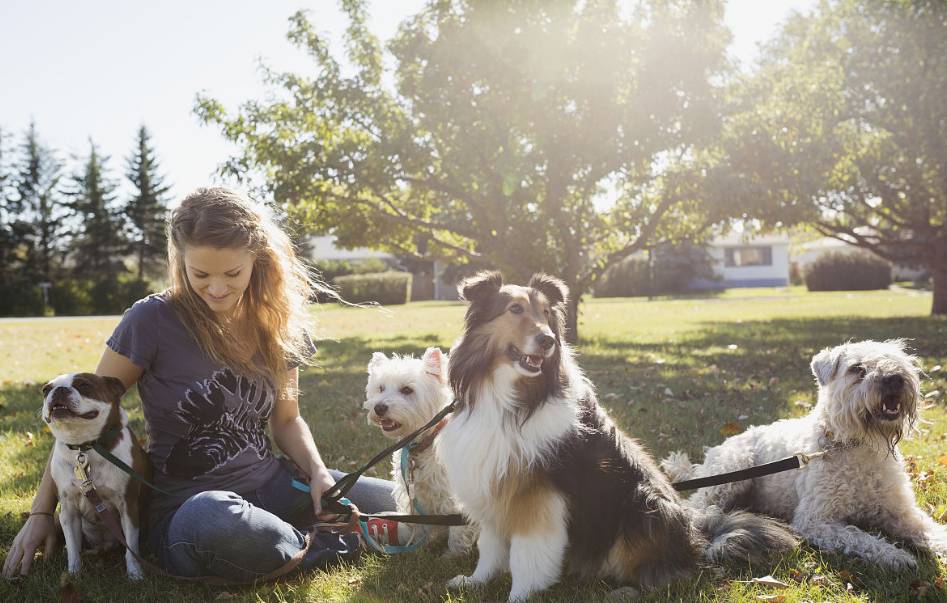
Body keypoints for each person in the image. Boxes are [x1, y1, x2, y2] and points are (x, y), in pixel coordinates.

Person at [3, 187, 401, 582]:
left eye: (232, 274)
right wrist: (42, 512)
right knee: (214, 519)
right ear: (181, 262)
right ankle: (337, 541)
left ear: (257, 260)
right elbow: (82, 421)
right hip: (185, 508)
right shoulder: (150, 320)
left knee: (398, 503)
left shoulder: (277, 324)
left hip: (273, 483)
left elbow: (287, 418)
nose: (216, 288)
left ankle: (296, 540)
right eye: (200, 274)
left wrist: (318, 474)